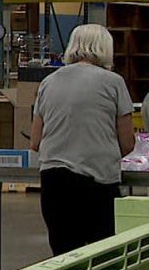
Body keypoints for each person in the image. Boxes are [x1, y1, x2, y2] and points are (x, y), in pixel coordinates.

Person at [28, 24, 137, 255]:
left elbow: (35, 141)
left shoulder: (48, 82)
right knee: (102, 259)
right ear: (106, 49)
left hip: (54, 183)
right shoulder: (114, 82)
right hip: (96, 184)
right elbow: (127, 142)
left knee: (66, 259)